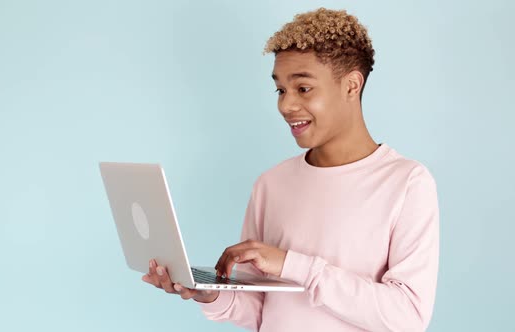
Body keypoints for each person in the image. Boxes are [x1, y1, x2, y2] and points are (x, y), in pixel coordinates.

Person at [141, 7, 439, 332]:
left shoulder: (407, 183)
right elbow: (260, 311)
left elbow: (408, 317)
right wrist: (209, 293)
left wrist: (292, 264)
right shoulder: (271, 184)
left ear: (352, 86)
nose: (286, 105)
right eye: (280, 90)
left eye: (303, 88)